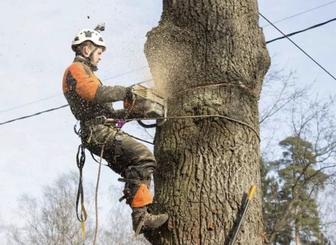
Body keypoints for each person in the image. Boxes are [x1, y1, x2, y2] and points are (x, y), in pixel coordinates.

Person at [62, 28, 168, 234]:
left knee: (135, 168)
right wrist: (126, 91)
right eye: (99, 53)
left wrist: (135, 112)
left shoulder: (87, 73)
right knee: (143, 158)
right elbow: (95, 93)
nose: (100, 58)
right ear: (86, 49)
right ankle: (141, 217)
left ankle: (143, 214)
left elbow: (108, 114)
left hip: (100, 129)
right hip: (97, 131)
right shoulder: (76, 69)